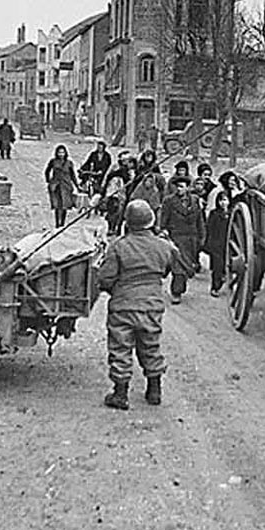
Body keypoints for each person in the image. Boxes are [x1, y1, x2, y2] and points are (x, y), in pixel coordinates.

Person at [95, 199, 184, 410]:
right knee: (150, 345)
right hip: (152, 305)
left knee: (120, 347)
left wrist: (115, 290)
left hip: (123, 305)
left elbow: (105, 279)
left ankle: (120, 394)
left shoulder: (118, 246)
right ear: (151, 221)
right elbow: (175, 267)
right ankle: (154, 390)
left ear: (128, 222)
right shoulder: (164, 246)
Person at [159, 174, 205, 304]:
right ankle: (176, 292)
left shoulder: (195, 201)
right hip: (176, 237)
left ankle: (171, 278)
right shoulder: (169, 201)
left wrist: (202, 236)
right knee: (178, 267)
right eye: (177, 187)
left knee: (186, 267)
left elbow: (200, 219)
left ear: (188, 188)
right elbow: (163, 218)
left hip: (191, 239)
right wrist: (162, 229)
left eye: (181, 187)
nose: (179, 189)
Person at [45, 144, 80, 228]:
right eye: (59, 152)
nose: (61, 154)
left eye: (63, 152)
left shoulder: (69, 163)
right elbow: (47, 171)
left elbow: (73, 175)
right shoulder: (53, 161)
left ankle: (62, 224)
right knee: (57, 205)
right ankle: (57, 223)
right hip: (56, 186)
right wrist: (49, 181)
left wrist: (77, 185)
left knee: (65, 205)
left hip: (66, 186)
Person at [204, 191, 231, 298]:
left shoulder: (232, 213)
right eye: (221, 200)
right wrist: (209, 244)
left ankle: (223, 279)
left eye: (225, 200)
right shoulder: (214, 214)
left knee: (225, 265)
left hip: (228, 244)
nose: (223, 203)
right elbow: (209, 229)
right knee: (217, 267)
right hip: (216, 244)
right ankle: (215, 287)